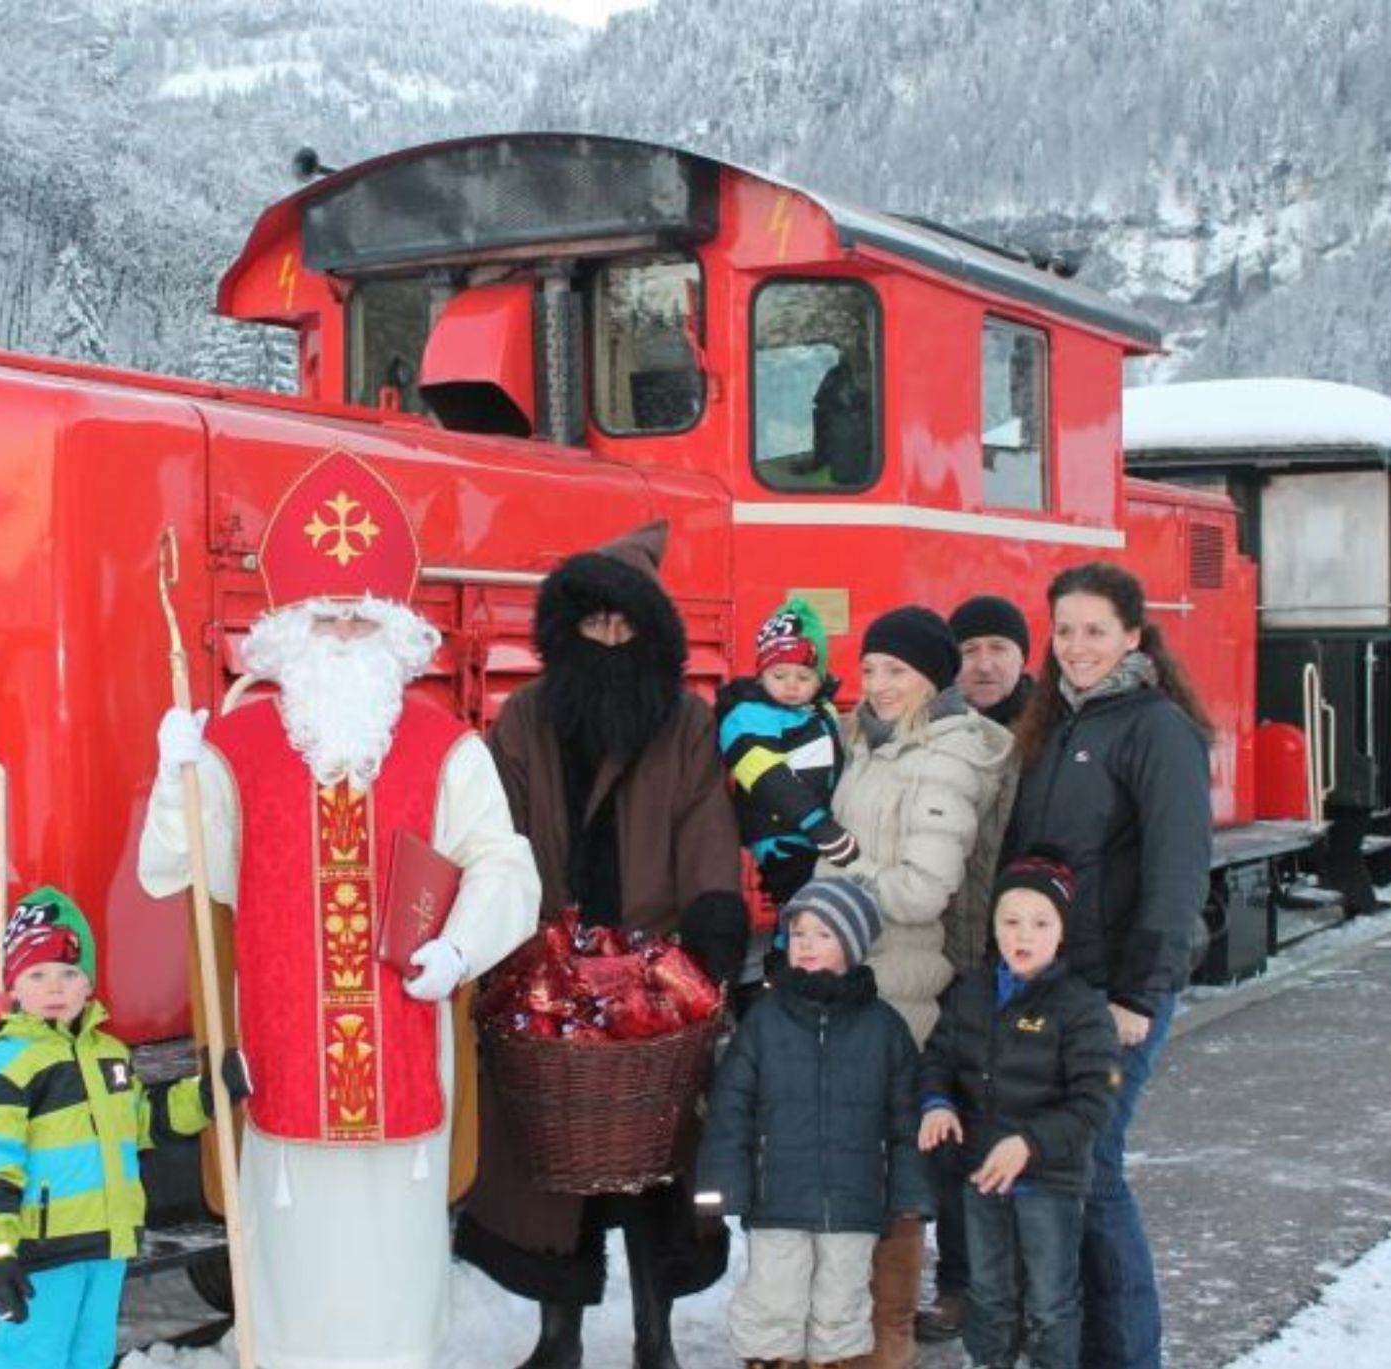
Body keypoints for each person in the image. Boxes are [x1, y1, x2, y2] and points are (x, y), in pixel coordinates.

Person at [137, 451, 541, 1369]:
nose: (347, 627)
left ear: (397, 630)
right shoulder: (236, 744)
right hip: (280, 1065)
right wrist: (177, 778)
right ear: (291, 629)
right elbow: (175, 869)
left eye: (364, 614)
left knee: (396, 1289)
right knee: (291, 1293)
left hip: (406, 1053)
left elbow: (506, 869)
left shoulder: (446, 747)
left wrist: (458, 949)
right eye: (328, 613)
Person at [455, 522, 748, 1369]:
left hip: (655, 976)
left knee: (656, 1173)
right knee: (558, 1173)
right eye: (595, 622)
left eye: (626, 624)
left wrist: (713, 915)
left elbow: (702, 818)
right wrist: (497, 926)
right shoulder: (529, 720)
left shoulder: (684, 720)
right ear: (568, 625)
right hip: (547, 967)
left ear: (649, 631)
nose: (610, 638)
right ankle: (561, 1336)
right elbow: (496, 825)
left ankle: (655, 1336)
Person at [1003, 562, 1213, 1369]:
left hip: (1114, 991)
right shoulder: (1056, 724)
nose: (1077, 645)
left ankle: (1127, 1355)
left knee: (1090, 1169)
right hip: (1054, 987)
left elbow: (1176, 869)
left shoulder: (1155, 728)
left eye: (1095, 630)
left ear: (1133, 634)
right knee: (1062, 1174)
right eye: (1063, 631)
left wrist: (1138, 991)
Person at [829, 604, 1014, 1369]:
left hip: (900, 982)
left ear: (930, 677)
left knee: (885, 1170)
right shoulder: (875, 746)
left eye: (895, 670)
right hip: (856, 974)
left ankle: (887, 1341)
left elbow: (919, 890)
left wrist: (835, 868)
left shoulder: (945, 756)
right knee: (856, 1165)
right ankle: (855, 1335)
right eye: (869, 668)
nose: (877, 684)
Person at [0, 887, 227, 1369]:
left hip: (105, 1244)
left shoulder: (109, 1055)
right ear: (14, 986)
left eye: (69, 973)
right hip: (41, 1253)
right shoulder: (3, 1067)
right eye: (37, 974)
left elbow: (141, 1121)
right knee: (32, 1357)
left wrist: (205, 1097)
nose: (55, 987)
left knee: (90, 1356)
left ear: (88, 985)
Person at [696, 878, 930, 1369]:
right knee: (772, 1302)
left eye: (823, 934)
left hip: (854, 1204)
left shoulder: (884, 1029)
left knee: (841, 1307)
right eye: (799, 933)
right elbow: (731, 1107)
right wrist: (721, 1186)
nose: (806, 944)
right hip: (778, 1199)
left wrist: (909, 1195)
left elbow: (906, 1121)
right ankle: (769, 1361)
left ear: (852, 945)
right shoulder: (764, 1021)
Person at [919, 851, 1120, 1369]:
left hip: (1047, 1181)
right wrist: (937, 1102)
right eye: (1010, 921)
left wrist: (1029, 1144)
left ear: (1061, 932)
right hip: (981, 1176)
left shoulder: (1081, 1008)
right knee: (987, 1293)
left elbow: (1094, 1100)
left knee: (1051, 1300)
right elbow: (939, 1058)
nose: (1022, 935)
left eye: (1039, 922)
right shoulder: (972, 993)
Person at [920, 593, 1035, 1344]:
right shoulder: (938, 736)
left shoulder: (1048, 734)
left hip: (1023, 969)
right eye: (970, 649)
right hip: (951, 967)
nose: (984, 663)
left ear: (1025, 655)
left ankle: (1023, 1287)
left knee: (1019, 1133)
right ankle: (961, 1284)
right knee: (949, 1135)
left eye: (999, 646)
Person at [716, 598, 859, 912]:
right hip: (781, 835)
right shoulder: (746, 716)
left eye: (804, 677)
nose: (791, 686)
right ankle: (787, 960)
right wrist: (819, 824)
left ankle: (800, 958)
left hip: (818, 830)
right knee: (803, 911)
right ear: (761, 672)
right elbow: (769, 778)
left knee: (821, 915)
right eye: (779, 676)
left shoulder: (822, 711)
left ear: (820, 678)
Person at [950, 595, 1035, 727]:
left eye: (998, 649)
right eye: (970, 651)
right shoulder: (923, 729)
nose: (984, 667)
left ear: (1022, 659)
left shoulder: (1055, 730)